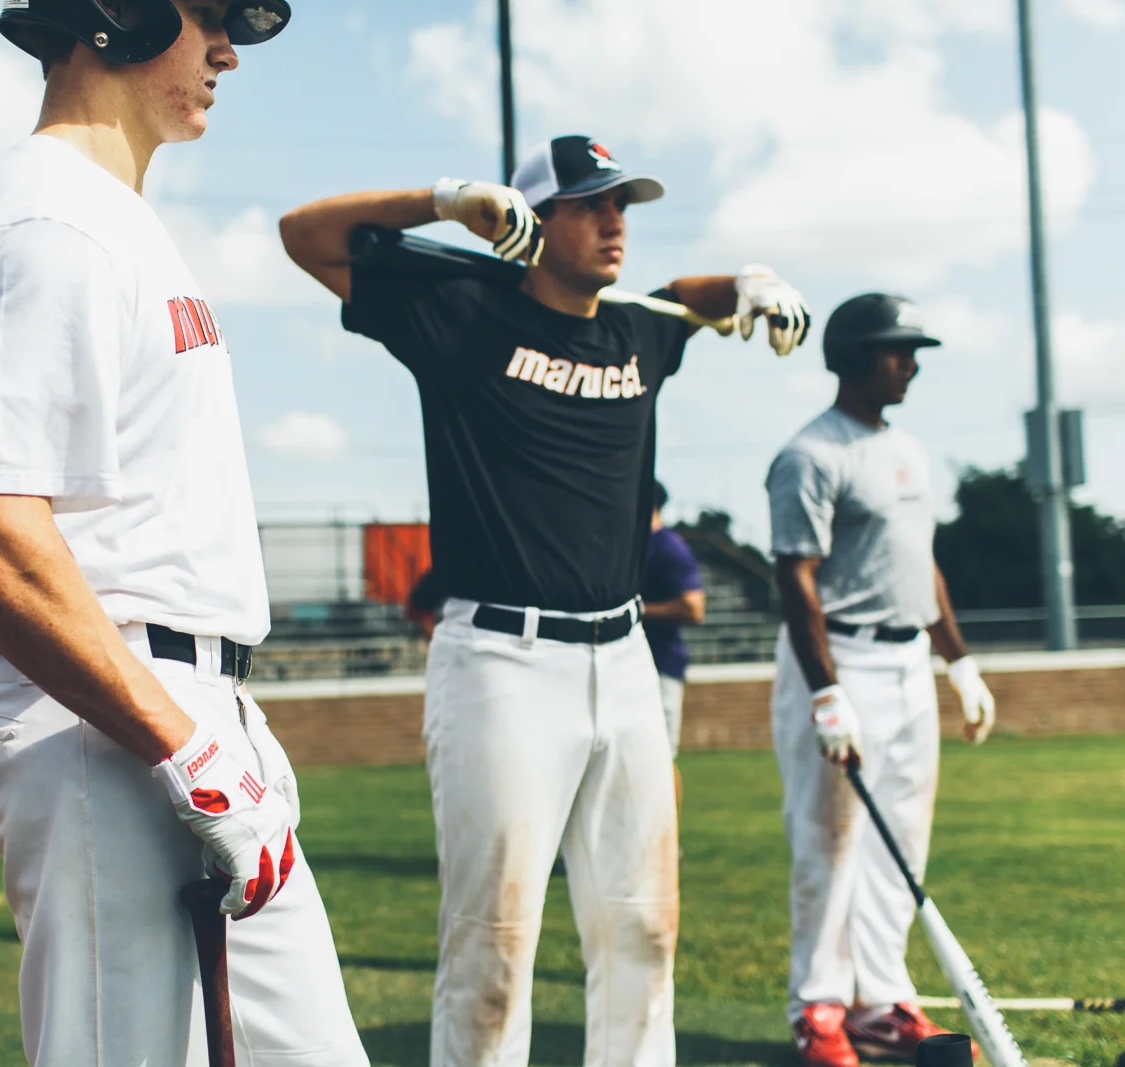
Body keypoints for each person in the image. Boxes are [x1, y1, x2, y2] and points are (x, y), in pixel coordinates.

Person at [279, 134, 811, 1067]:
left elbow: (689, 300)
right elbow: (304, 235)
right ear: (532, 217)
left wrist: (747, 285)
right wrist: (447, 201)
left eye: (622, 205)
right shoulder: (459, 312)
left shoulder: (638, 329)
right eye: (592, 203)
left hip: (627, 660)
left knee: (644, 929)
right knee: (495, 940)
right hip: (502, 662)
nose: (615, 222)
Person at [0, 3, 367, 1065]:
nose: (227, 51)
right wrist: (185, 745)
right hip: (105, 726)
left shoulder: (109, 214)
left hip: (174, 712)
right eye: (206, 15)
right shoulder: (49, 220)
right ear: (113, 14)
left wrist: (214, 732)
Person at [765, 294, 998, 1067]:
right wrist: (825, 692)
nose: (911, 366)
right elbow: (795, 576)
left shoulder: (909, 451)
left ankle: (880, 1002)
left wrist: (957, 659)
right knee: (829, 840)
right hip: (840, 657)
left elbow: (920, 563)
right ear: (852, 356)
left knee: (901, 837)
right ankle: (818, 1006)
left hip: (906, 664)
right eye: (897, 350)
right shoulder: (810, 454)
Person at [641, 480, 706, 762]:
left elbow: (694, 608)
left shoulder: (667, 546)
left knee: (661, 761)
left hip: (661, 664)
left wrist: (638, 611)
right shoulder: (635, 546)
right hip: (638, 663)